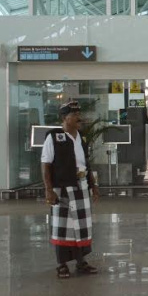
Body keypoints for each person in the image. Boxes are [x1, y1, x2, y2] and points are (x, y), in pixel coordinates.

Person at [41, 101, 100, 278]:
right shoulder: (54, 137)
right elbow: (45, 164)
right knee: (63, 228)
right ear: (64, 118)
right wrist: (48, 190)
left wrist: (94, 185)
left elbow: (87, 163)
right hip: (62, 189)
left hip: (81, 187)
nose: (78, 118)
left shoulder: (81, 137)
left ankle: (81, 263)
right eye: (74, 115)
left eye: (78, 114)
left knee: (81, 227)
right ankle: (62, 265)